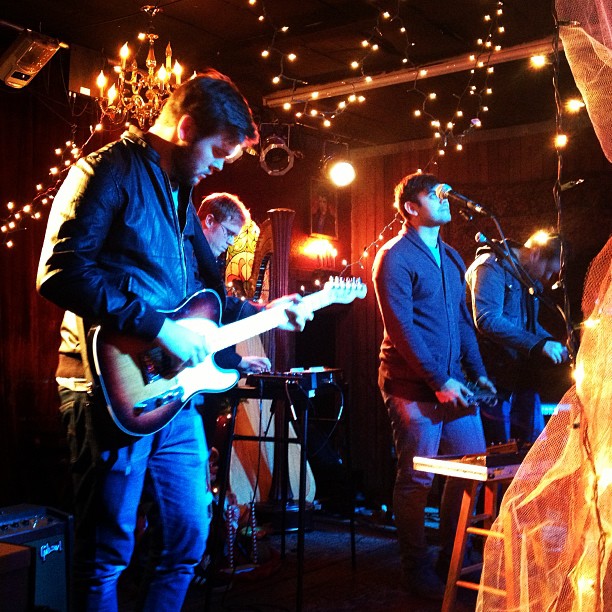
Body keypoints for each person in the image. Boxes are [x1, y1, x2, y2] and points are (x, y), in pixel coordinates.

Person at [36, 69, 310, 611]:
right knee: (106, 554)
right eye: (218, 152)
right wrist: (160, 328)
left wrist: (268, 313)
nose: (219, 166)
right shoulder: (104, 171)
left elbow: (207, 296)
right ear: (185, 129)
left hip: (174, 393)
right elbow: (60, 272)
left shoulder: (182, 196)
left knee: (187, 541)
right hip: (108, 388)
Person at [372, 171, 496, 600]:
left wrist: (477, 371)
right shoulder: (393, 257)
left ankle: (453, 557)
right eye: (434, 194)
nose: (445, 198)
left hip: (452, 383)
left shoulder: (453, 256)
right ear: (411, 207)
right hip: (412, 386)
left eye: (445, 192)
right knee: (417, 479)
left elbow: (461, 321)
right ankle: (415, 568)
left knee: (469, 472)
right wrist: (438, 379)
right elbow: (401, 328)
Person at [465, 229, 568, 446]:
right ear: (536, 254)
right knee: (498, 454)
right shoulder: (490, 266)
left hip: (519, 379)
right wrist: (538, 345)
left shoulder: (527, 278)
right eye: (549, 271)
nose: (548, 279)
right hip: (491, 382)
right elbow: (487, 319)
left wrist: (555, 344)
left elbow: (528, 325)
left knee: (530, 454)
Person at [197, 191, 271, 376]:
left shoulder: (207, 264)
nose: (230, 242)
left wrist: (239, 361)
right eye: (229, 233)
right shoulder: (186, 260)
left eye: (234, 237)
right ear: (209, 221)